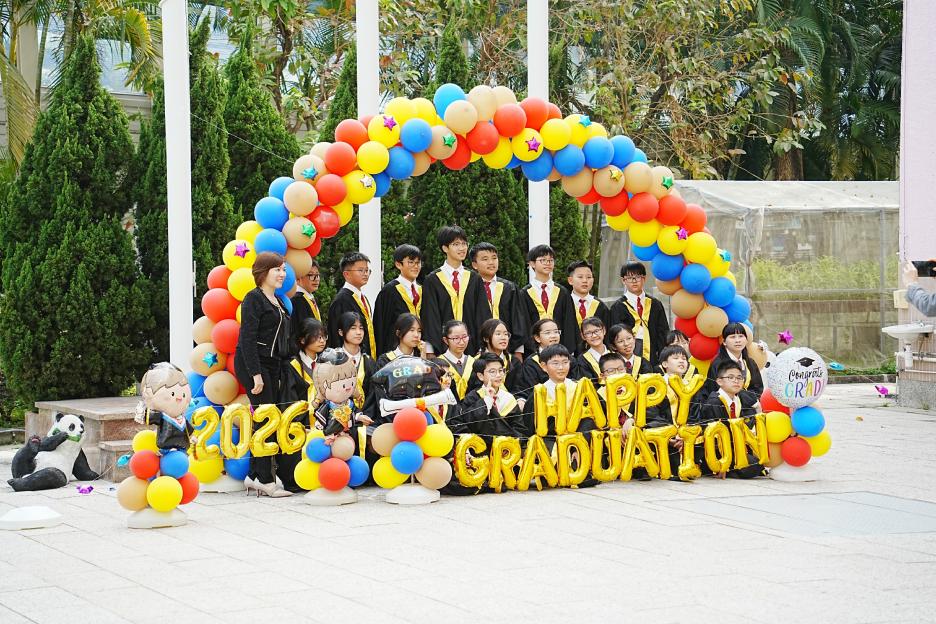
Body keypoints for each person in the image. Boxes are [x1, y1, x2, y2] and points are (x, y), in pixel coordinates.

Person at [233, 251, 293, 497]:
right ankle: (266, 480)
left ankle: (254, 475)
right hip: (254, 364)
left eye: (283, 269)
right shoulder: (253, 299)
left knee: (267, 418)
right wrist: (255, 374)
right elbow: (247, 339)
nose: (282, 274)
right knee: (266, 419)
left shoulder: (277, 300)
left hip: (272, 365)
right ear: (263, 272)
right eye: (277, 269)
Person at [421, 226, 492, 355]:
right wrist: (430, 351)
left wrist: (483, 347)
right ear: (445, 248)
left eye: (464, 244)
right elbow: (430, 317)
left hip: (472, 348)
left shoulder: (474, 278)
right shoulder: (432, 280)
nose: (462, 248)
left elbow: (482, 314)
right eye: (456, 244)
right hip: (442, 349)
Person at [701, 360, 763, 479]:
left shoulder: (739, 399)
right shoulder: (714, 402)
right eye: (730, 377)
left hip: (736, 446)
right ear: (719, 381)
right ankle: (723, 469)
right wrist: (723, 462)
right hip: (717, 450)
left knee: (759, 462)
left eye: (739, 378)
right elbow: (715, 436)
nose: (736, 381)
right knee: (753, 466)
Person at [519, 245, 579, 355]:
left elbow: (569, 323)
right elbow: (524, 325)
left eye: (550, 260)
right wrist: (532, 350)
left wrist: (568, 350)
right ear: (532, 263)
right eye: (543, 260)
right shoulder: (524, 294)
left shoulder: (563, 292)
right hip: (533, 351)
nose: (548, 263)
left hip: (561, 350)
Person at [469, 242, 527, 355]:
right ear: (475, 264)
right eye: (485, 259)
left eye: (494, 258)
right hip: (476, 350)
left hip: (507, 350)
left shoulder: (510, 288)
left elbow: (518, 321)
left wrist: (518, 352)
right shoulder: (469, 289)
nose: (491, 262)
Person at [450, 352, 525, 438]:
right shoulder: (472, 397)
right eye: (492, 372)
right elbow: (469, 425)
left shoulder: (509, 398)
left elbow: (520, 429)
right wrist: (486, 402)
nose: (498, 375)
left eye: (501, 370)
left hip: (507, 445)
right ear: (480, 376)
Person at [609, 262, 669, 366]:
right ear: (623, 280)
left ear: (644, 279)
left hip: (653, 350)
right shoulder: (618, 307)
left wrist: (662, 355)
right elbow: (616, 334)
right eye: (629, 278)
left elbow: (663, 331)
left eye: (637, 277)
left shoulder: (655, 304)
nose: (634, 281)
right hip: (629, 350)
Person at [373, 244, 423, 356]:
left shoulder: (422, 290)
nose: (416, 266)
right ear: (398, 264)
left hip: (418, 351)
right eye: (411, 262)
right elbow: (381, 327)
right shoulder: (389, 292)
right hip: (395, 352)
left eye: (418, 262)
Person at [326, 252, 376, 359]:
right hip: (349, 360)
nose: (365, 274)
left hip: (365, 358)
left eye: (367, 270)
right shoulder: (341, 300)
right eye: (361, 270)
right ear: (346, 274)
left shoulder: (363, 298)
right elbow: (336, 336)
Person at [702, 322, 764, 403]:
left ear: (746, 340)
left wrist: (749, 400)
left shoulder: (750, 363)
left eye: (741, 336)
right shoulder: (718, 364)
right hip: (725, 407)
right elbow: (714, 389)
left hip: (749, 407)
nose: (738, 340)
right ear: (724, 342)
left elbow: (758, 388)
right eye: (733, 337)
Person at [515, 318, 561, 409]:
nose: (553, 336)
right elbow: (529, 391)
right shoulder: (531, 363)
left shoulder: (569, 359)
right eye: (548, 333)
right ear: (537, 338)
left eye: (556, 332)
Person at [336, 311, 377, 411]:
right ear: (341, 332)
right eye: (353, 328)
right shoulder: (333, 360)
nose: (358, 332)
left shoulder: (369, 362)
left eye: (361, 328)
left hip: (368, 416)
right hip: (340, 415)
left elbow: (374, 396)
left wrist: (365, 415)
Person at [283, 317, 327, 406]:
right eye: (317, 337)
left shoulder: (326, 363)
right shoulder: (291, 366)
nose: (322, 341)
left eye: (323, 336)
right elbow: (289, 401)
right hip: (301, 413)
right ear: (303, 340)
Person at [470, 318, 521, 395]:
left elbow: (519, 388)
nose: (503, 338)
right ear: (486, 338)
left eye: (506, 334)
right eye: (498, 334)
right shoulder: (476, 361)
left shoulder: (514, 361)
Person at [567, 260, 610, 334]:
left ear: (593, 280)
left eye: (589, 277)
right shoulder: (564, 303)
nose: (585, 280)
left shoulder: (600, 306)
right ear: (570, 280)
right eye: (580, 277)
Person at [438, 320, 476, 401]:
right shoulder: (438, 364)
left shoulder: (473, 362)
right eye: (456, 338)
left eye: (464, 337)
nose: (461, 342)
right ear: (446, 340)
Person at [290, 260, 322, 352]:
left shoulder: (309, 297)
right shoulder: (297, 300)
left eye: (317, 275)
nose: (316, 279)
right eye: (311, 275)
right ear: (298, 278)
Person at [597, 352, 634, 431]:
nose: (618, 374)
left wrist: (632, 421)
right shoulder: (597, 397)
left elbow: (652, 417)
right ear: (602, 376)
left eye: (621, 369)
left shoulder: (637, 391)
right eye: (611, 371)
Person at [572, 316, 611, 383]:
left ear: (604, 330)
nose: (594, 336)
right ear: (583, 336)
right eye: (588, 333)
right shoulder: (582, 360)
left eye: (596, 331)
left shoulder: (615, 354)